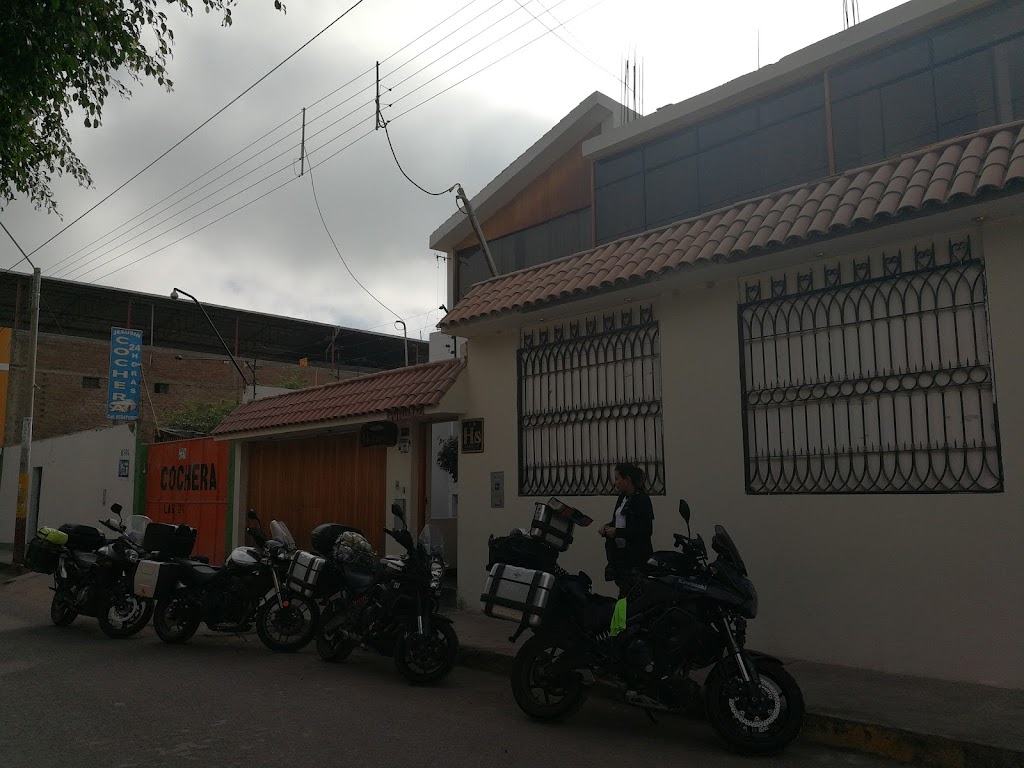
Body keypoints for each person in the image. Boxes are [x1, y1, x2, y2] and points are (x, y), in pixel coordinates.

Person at [599, 462, 654, 598]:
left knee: (631, 595)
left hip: (636, 558)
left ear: (627, 479)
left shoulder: (642, 499)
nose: (615, 483)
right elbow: (618, 521)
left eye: (617, 478)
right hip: (620, 557)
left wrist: (618, 532)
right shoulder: (622, 498)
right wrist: (607, 527)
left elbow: (645, 530)